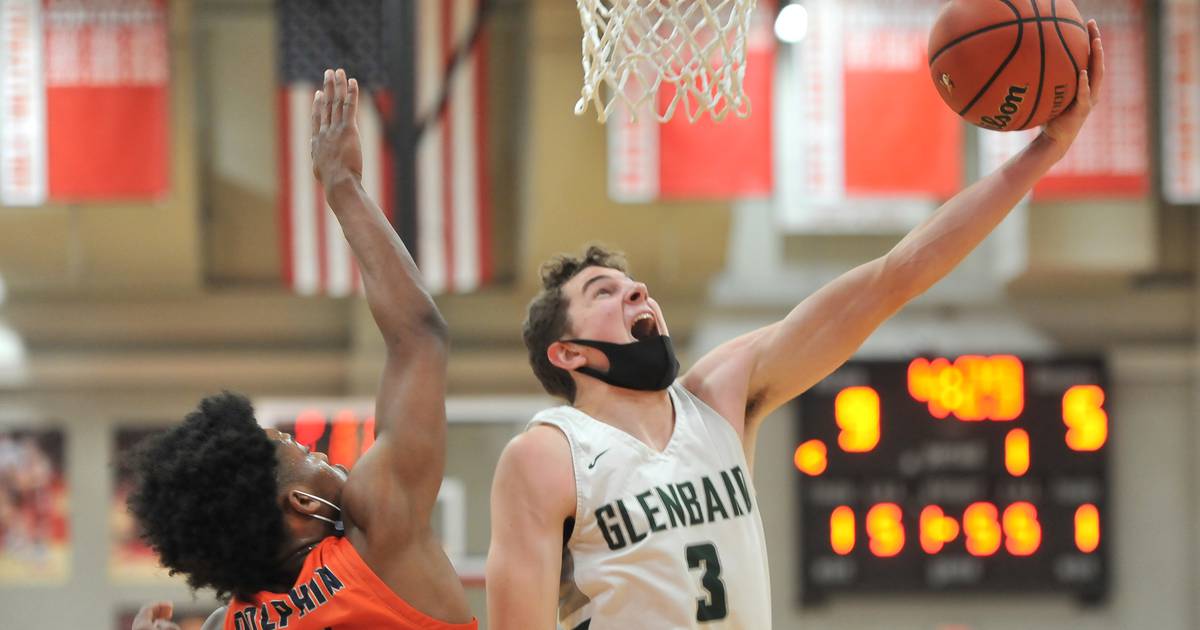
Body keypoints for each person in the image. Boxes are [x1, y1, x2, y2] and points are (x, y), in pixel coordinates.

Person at [485, 22, 1106, 630]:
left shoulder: (720, 396)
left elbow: (896, 276)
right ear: (567, 353)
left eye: (632, 284)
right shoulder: (547, 454)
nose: (637, 291)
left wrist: (1045, 151)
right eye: (604, 292)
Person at [126, 68, 476, 630]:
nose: (327, 458)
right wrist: (343, 184)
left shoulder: (229, 624)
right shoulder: (374, 539)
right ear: (303, 505)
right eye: (308, 455)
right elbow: (419, 339)